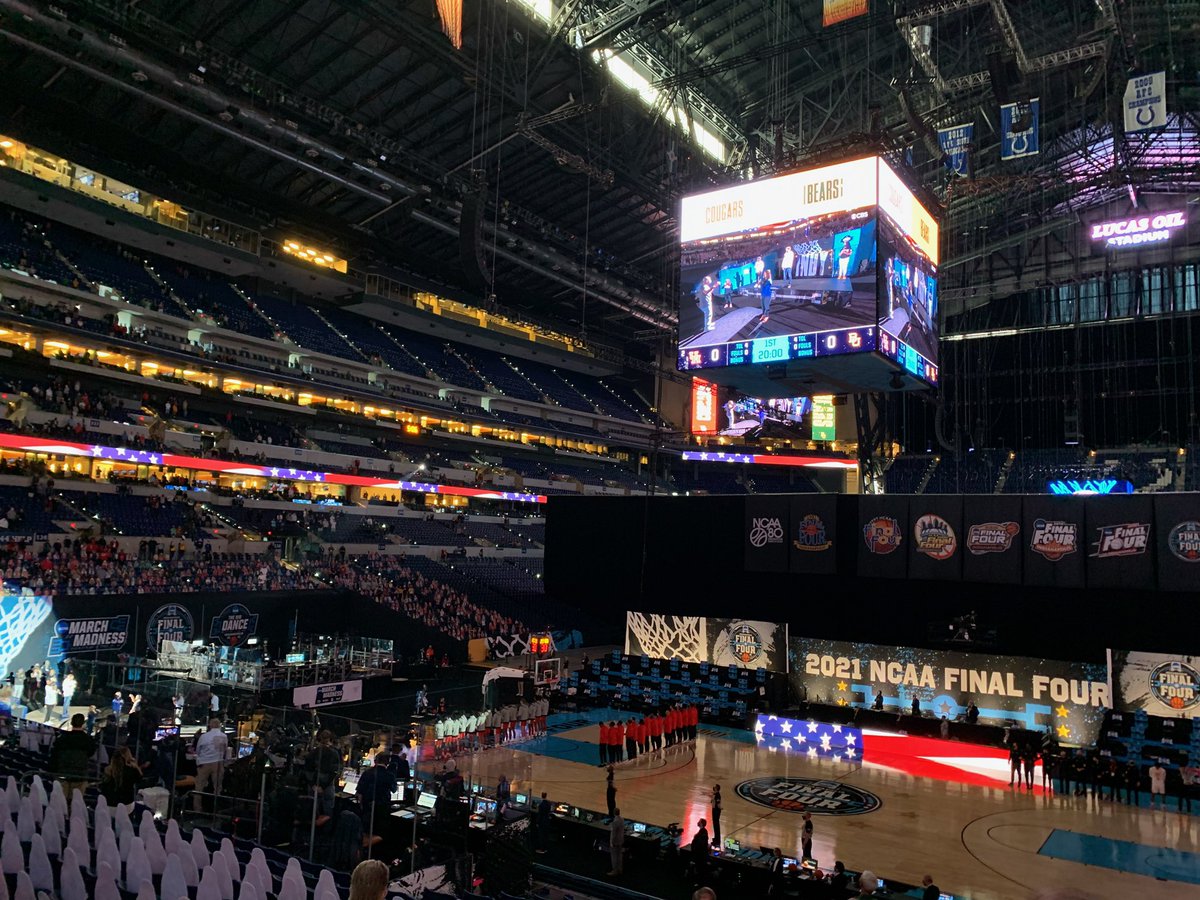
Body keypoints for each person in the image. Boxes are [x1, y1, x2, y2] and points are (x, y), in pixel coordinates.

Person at [50, 713, 95, 804]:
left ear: (71, 723)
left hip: (62, 773)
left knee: (60, 803)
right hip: (80, 775)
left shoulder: (62, 738)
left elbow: (55, 754)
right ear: (83, 724)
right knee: (76, 803)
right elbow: (91, 753)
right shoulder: (88, 740)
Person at [355, 753, 397, 836]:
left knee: (367, 831)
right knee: (380, 832)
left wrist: (361, 805)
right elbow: (394, 790)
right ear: (387, 763)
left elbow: (359, 792)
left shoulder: (367, 773)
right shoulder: (390, 775)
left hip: (368, 806)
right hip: (383, 808)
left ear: (375, 761)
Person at [193, 718, 229, 812]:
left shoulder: (204, 736)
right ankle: (216, 809)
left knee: (199, 786)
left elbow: (198, 750)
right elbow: (225, 751)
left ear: (210, 725)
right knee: (217, 788)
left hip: (205, 763)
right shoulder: (224, 736)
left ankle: (197, 809)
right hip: (218, 763)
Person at [310, 730, 342, 816]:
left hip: (314, 785)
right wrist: (324, 786)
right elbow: (334, 771)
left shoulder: (314, 752)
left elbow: (309, 769)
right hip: (328, 786)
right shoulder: (334, 753)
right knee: (327, 813)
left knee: (313, 812)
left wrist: (313, 784)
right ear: (330, 739)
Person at [608, 806, 625, 876]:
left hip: (615, 841)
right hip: (621, 840)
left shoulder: (615, 822)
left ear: (614, 813)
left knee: (614, 856)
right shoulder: (622, 819)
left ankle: (615, 870)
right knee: (619, 855)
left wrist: (611, 842)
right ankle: (620, 869)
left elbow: (613, 833)